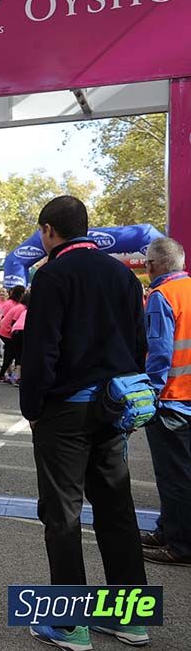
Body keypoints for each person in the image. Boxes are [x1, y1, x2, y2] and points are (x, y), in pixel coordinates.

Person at [20, 196, 148, 650]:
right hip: (114, 406)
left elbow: (41, 352)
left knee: (63, 513)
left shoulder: (52, 276)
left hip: (65, 412)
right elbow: (139, 344)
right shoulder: (123, 274)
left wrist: (32, 408)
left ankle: (69, 623)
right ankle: (130, 619)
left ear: (49, 230)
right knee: (116, 508)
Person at [141, 237, 191, 568]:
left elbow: (159, 355)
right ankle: (166, 529)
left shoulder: (161, 296)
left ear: (156, 265)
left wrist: (149, 396)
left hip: (172, 399)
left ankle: (179, 545)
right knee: (183, 473)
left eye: (146, 263)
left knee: (174, 477)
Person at [0, 286, 27, 384]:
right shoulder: (19, 307)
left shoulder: (17, 305)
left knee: (11, 354)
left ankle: (7, 375)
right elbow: (14, 321)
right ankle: (5, 375)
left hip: (8, 331)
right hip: (7, 331)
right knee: (11, 354)